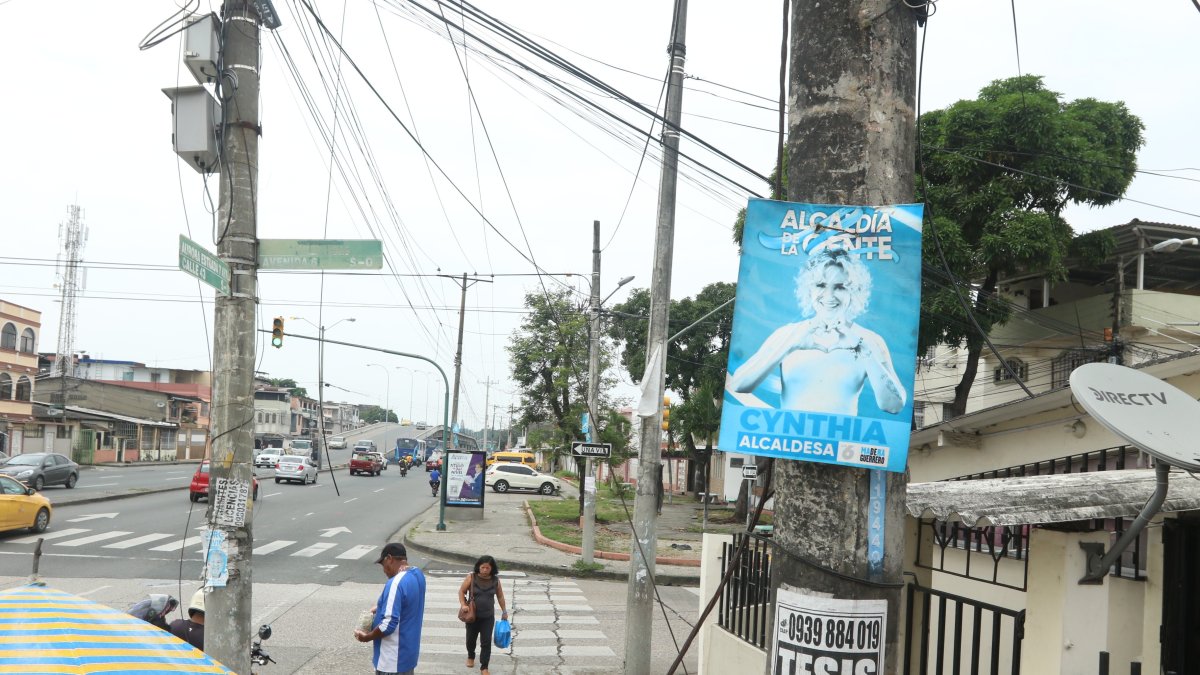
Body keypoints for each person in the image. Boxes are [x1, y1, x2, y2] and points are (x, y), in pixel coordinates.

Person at [728, 247, 906, 416]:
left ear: (854, 291)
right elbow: (738, 384)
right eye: (821, 285)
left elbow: (894, 405)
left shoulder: (869, 340)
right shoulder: (789, 334)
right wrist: (788, 347)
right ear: (808, 289)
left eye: (840, 286)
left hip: (843, 446)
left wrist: (865, 352)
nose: (829, 296)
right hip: (790, 443)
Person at [354, 543, 427, 675]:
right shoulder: (417, 574)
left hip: (392, 660)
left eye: (383, 564)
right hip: (408, 654)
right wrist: (381, 607)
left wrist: (367, 637)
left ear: (389, 558)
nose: (384, 570)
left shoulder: (395, 583)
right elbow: (407, 602)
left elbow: (388, 625)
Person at [458, 555, 508, 675]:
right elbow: (461, 591)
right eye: (482, 567)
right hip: (472, 616)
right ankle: (471, 656)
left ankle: (484, 667)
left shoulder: (495, 580)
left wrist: (504, 611)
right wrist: (463, 604)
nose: (485, 570)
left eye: (487, 568)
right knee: (471, 639)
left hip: (488, 617)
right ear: (478, 567)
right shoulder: (471, 577)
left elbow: (500, 596)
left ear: (492, 568)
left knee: (486, 642)